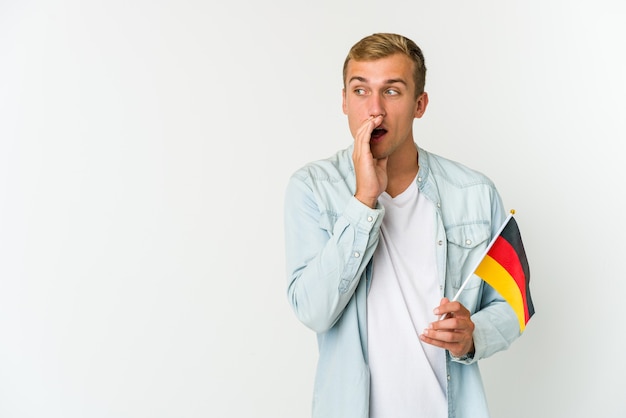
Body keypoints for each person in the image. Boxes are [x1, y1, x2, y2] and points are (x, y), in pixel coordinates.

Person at [283, 33, 524, 418]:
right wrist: (364, 200)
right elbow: (313, 310)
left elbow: (512, 303)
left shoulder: (474, 192)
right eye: (360, 91)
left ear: (419, 104)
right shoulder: (312, 189)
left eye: (392, 92)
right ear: (344, 101)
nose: (374, 110)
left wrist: (473, 335)